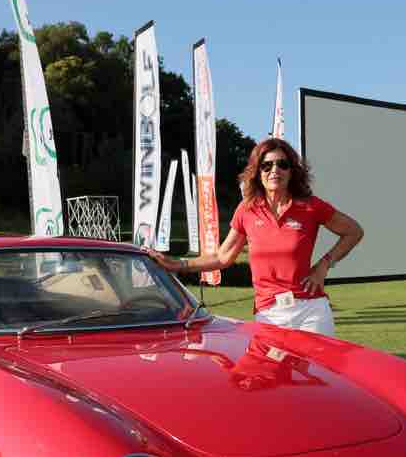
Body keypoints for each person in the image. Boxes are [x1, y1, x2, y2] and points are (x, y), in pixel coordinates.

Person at [148, 137, 363, 336]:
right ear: (257, 172)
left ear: (292, 171)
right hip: (269, 312)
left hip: (311, 310)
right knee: (269, 376)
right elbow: (223, 257)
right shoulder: (247, 210)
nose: (274, 170)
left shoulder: (311, 206)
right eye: (266, 165)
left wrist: (324, 264)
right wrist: (178, 264)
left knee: (315, 376)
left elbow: (353, 231)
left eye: (282, 164)